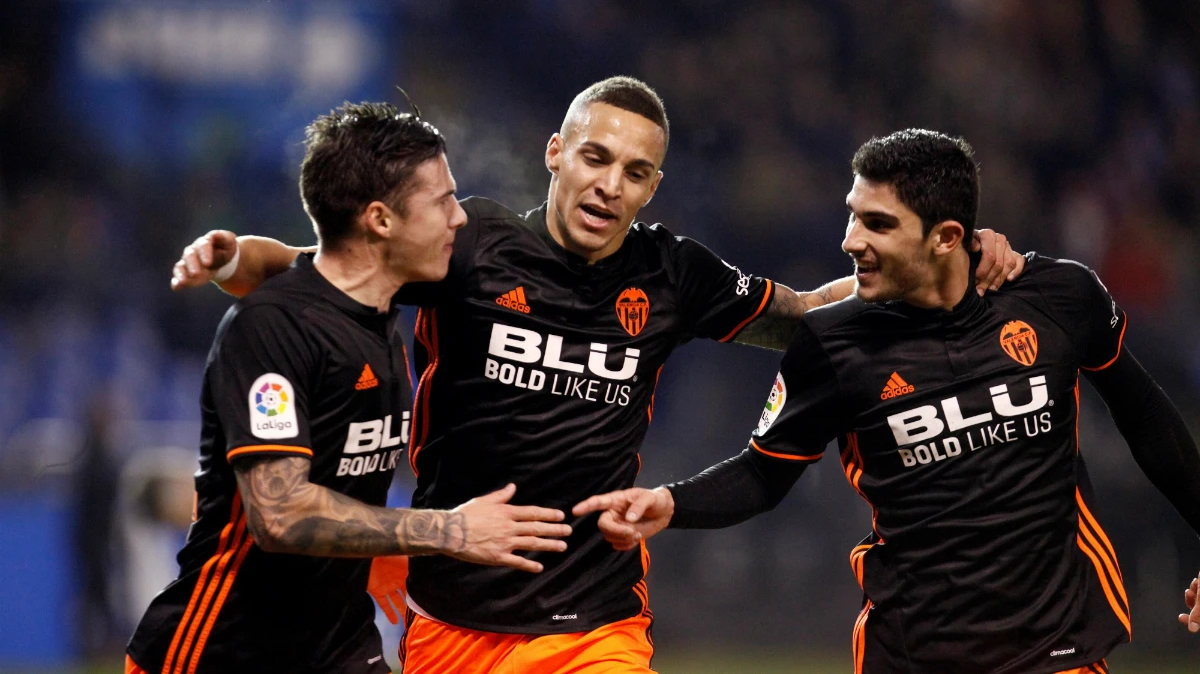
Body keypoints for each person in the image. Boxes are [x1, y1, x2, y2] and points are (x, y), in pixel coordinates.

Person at [170, 79, 1025, 673]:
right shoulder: (467, 247)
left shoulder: (672, 274)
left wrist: (944, 261)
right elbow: (331, 267)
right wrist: (236, 256)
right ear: (555, 153)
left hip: (595, 614)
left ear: (654, 185)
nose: (610, 185)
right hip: (448, 612)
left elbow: (802, 313)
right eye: (594, 158)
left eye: (636, 171)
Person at [574, 129, 1200, 674]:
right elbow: (765, 472)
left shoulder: (1060, 297)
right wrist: (670, 502)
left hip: (1058, 646)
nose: (850, 239)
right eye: (852, 215)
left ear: (946, 236)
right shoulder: (832, 344)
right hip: (913, 654)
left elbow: (1146, 417)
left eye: (877, 224)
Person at [125, 102, 572, 674]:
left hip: (337, 645)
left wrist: (234, 254)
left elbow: (300, 265)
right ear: (381, 221)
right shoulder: (274, 328)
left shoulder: (375, 306)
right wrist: (448, 531)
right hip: (222, 651)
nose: (459, 218)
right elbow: (280, 515)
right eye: (441, 202)